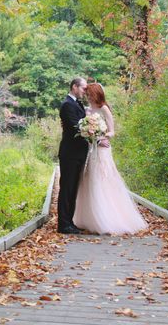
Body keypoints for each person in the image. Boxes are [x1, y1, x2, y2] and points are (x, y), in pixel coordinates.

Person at [73, 83, 147, 235]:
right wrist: (90, 135)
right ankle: (90, 218)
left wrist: (101, 136)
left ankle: (108, 218)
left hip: (103, 150)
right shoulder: (87, 110)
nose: (88, 96)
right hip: (92, 149)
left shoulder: (104, 108)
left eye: (90, 94)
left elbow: (112, 131)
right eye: (86, 94)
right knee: (90, 180)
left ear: (96, 94)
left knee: (103, 179)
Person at [57, 77, 95, 234]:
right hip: (70, 153)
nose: (85, 91)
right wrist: (92, 130)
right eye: (83, 88)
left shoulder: (77, 103)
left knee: (73, 189)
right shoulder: (67, 105)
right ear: (74, 87)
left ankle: (69, 222)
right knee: (67, 188)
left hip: (79, 152)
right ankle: (63, 224)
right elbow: (75, 127)